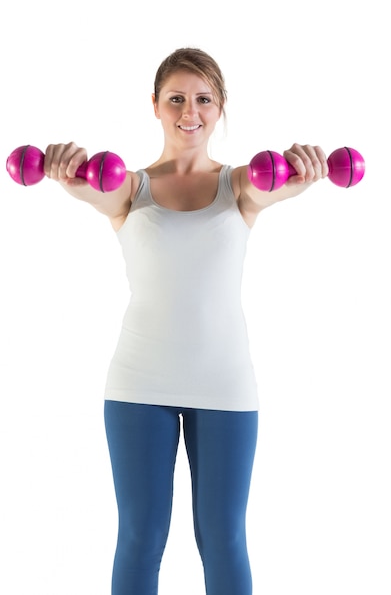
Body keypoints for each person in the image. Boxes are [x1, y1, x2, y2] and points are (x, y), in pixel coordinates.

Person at [43, 47, 328, 595]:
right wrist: (63, 173)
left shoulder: (240, 184)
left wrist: (305, 174)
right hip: (137, 384)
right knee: (140, 539)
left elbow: (271, 187)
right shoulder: (129, 186)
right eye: (176, 98)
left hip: (225, 383)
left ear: (220, 108)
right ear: (154, 105)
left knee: (222, 539)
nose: (189, 112)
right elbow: (94, 190)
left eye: (203, 99)